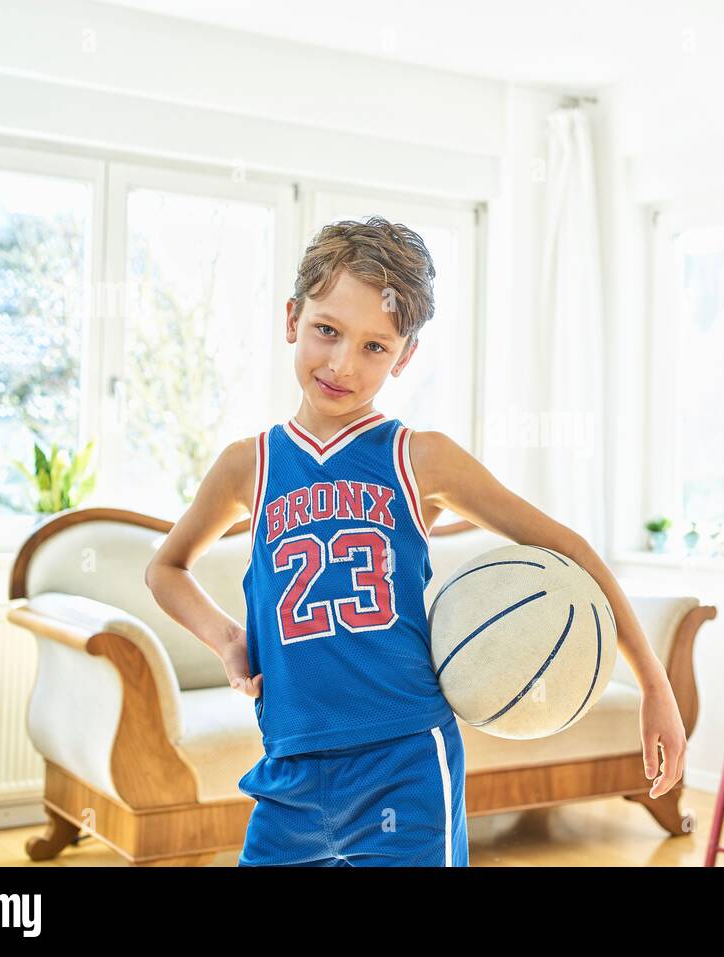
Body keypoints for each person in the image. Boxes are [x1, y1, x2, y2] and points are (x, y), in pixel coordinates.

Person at [144, 217, 686, 866]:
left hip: (404, 761)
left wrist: (654, 684)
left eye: (376, 346)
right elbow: (166, 568)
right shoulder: (248, 464)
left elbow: (568, 546)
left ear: (405, 356)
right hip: (287, 768)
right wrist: (229, 639)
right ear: (292, 318)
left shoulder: (418, 459)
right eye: (327, 331)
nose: (343, 362)